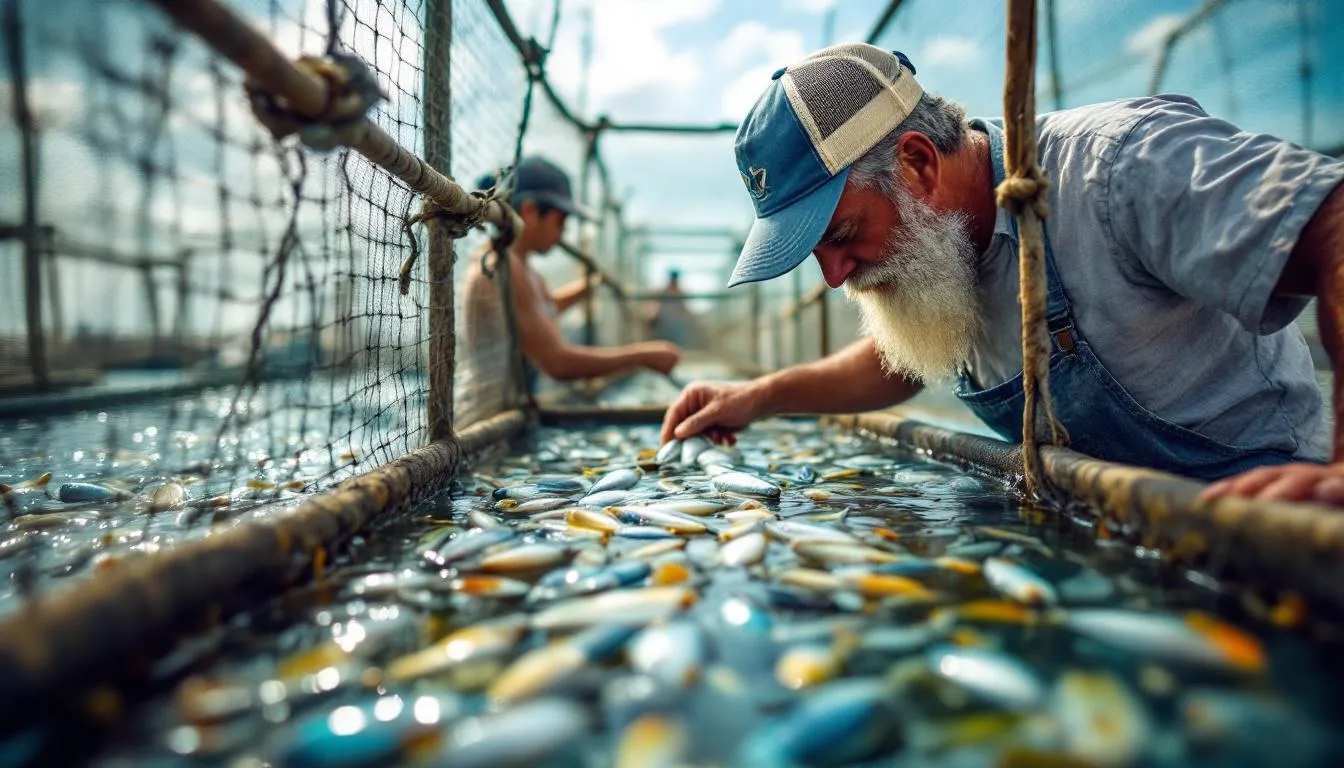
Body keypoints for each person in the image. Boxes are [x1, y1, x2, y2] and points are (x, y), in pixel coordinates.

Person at [659, 43, 1344, 506]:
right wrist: (757, 396)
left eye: (840, 236)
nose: (835, 277)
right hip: (1096, 521)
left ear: (919, 162)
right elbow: (897, 363)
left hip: (1263, 514)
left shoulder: (1118, 168)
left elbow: (1332, 223)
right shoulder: (941, 258)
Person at [461, 156, 682, 395]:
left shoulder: (525, 270)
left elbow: (544, 308)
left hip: (510, 411)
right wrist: (645, 356)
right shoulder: (501, 266)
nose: (563, 233)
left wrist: (588, 287)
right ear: (530, 211)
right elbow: (557, 362)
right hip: (487, 417)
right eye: (561, 221)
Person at [647, 269, 693, 347]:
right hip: (666, 322)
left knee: (676, 346)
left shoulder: (679, 292)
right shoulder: (665, 292)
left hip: (677, 323)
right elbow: (658, 305)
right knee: (665, 345)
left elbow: (683, 307)